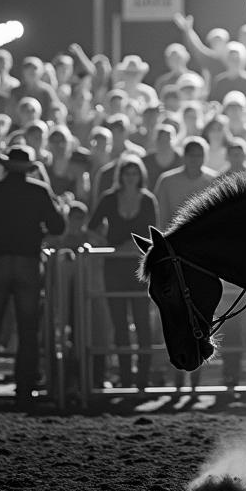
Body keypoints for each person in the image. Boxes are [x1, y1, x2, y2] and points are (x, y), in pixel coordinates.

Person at [0, 145, 66, 408]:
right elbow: (58, 226)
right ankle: (25, 388)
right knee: (28, 328)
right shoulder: (39, 191)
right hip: (27, 261)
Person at [87, 155, 158, 390]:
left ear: (140, 176)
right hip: (114, 267)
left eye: (134, 173)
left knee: (142, 321)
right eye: (127, 173)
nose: (130, 177)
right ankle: (126, 376)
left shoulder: (148, 200)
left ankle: (143, 377)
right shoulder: (109, 198)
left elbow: (154, 234)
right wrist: (109, 245)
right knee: (119, 324)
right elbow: (91, 228)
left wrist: (132, 246)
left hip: (140, 267)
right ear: (120, 175)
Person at [153, 137, 220, 226]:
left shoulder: (216, 180)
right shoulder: (167, 181)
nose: (195, 159)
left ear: (205, 157)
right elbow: (160, 215)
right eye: (191, 154)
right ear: (184, 156)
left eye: (199, 155)